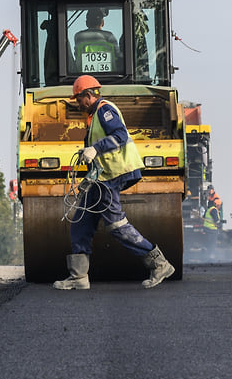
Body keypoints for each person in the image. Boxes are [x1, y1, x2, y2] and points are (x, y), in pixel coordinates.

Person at [54, 75, 176, 290]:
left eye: (78, 98)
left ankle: (159, 262)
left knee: (116, 225)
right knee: (80, 221)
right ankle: (78, 277)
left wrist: (95, 149)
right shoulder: (93, 117)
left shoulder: (104, 110)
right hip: (100, 178)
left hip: (114, 175)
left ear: (88, 95)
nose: (77, 103)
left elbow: (120, 135)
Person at [71, 8, 121, 74]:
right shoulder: (109, 36)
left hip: (82, 77)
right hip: (110, 76)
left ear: (86, 23)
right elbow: (118, 57)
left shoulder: (78, 37)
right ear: (103, 23)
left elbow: (76, 55)